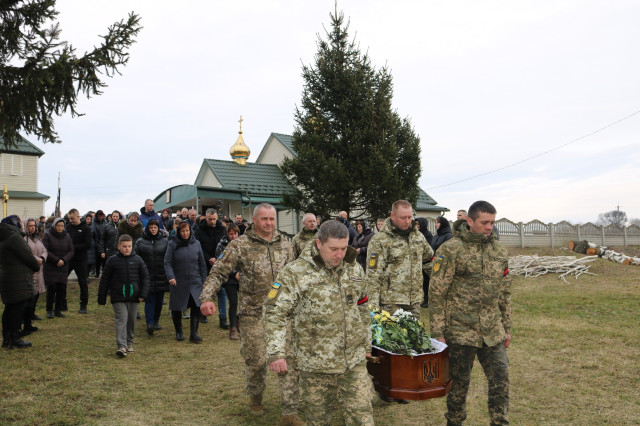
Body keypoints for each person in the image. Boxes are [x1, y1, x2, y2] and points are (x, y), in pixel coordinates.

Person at [265, 221, 373, 425]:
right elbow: (274, 311)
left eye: (344, 248)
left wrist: (366, 344)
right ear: (318, 243)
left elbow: (362, 305)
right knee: (318, 420)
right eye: (333, 249)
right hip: (315, 365)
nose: (339, 255)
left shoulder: (354, 268)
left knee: (362, 418)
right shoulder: (295, 272)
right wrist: (276, 353)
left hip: (353, 361)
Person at [200, 203, 300, 423]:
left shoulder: (285, 244)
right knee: (256, 360)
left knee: (289, 360)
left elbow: (295, 276)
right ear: (254, 220)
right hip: (253, 314)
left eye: (272, 219)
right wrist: (206, 297)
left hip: (283, 314)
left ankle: (290, 410)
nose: (269, 223)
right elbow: (218, 272)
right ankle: (256, 398)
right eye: (264, 219)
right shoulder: (240, 245)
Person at [429, 201, 511, 426]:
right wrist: (438, 333)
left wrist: (507, 328)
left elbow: (504, 292)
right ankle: (454, 422)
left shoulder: (499, 251)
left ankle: (499, 422)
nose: (489, 227)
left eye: (492, 222)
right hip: (460, 331)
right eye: (484, 222)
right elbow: (437, 293)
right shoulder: (451, 250)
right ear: (470, 221)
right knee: (458, 386)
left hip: (492, 331)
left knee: (501, 379)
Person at [366, 200, 434, 319]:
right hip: (390, 304)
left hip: (414, 302)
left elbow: (429, 261)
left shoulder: (418, 237)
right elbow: (373, 277)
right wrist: (373, 309)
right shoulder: (380, 240)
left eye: (410, 217)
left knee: (415, 331)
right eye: (403, 218)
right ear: (393, 216)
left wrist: (443, 281)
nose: (407, 221)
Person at [98, 234, 150, 358]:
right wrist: (102, 297)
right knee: (122, 319)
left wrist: (143, 294)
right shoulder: (112, 261)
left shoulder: (138, 260)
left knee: (131, 320)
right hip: (118, 296)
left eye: (129, 246)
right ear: (119, 246)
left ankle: (129, 343)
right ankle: (121, 346)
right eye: (124, 246)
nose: (127, 249)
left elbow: (145, 278)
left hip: (134, 296)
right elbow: (105, 280)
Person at [1, 215, 41, 349]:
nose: (23, 227)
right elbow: (28, 257)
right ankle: (14, 338)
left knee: (9, 308)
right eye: (21, 224)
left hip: (8, 278)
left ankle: (7, 339)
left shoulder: (4, 237)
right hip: (17, 279)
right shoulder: (15, 238)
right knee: (16, 309)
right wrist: (36, 267)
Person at [164, 221, 207, 343]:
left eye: (187, 230)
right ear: (179, 232)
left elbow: (202, 263)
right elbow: (167, 262)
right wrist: (171, 276)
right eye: (182, 231)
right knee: (177, 307)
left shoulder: (196, 243)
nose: (185, 233)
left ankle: (194, 333)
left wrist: (204, 280)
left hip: (195, 280)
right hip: (178, 281)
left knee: (196, 306)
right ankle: (179, 331)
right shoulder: (172, 244)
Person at [193, 208, 228, 328]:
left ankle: (223, 317)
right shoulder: (199, 231)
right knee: (204, 289)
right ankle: (203, 312)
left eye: (214, 219)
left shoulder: (222, 229)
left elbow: (226, 246)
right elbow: (198, 247)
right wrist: (209, 258)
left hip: (219, 263)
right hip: (204, 263)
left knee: (221, 290)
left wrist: (218, 258)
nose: (212, 221)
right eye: (210, 219)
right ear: (205, 218)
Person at [134, 219, 169, 335]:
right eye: (151, 227)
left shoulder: (165, 241)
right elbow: (136, 257)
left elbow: (168, 258)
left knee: (159, 301)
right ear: (148, 228)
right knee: (149, 300)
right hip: (147, 275)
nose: (153, 229)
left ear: (158, 228)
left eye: (155, 227)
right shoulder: (140, 242)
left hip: (161, 275)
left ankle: (156, 321)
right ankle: (149, 323)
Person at [42, 218, 74, 318]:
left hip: (63, 267)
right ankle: (49, 310)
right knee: (51, 288)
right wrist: (56, 260)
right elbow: (45, 250)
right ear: (54, 226)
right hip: (51, 266)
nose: (60, 228)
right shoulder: (48, 235)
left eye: (62, 226)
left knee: (61, 289)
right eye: (58, 226)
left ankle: (58, 310)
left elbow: (71, 251)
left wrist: (64, 260)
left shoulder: (67, 236)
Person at [215, 223, 240, 340]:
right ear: (227, 234)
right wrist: (234, 273)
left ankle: (238, 320)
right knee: (233, 302)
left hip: (242, 277)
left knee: (244, 303)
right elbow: (222, 263)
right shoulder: (221, 245)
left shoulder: (242, 245)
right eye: (231, 234)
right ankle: (233, 328)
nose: (233, 236)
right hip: (229, 279)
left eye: (235, 234)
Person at [23, 218, 48, 333]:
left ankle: (31, 315)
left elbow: (44, 250)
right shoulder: (23, 239)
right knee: (30, 297)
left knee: (36, 294)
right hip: (30, 270)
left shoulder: (37, 238)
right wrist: (37, 259)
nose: (33, 227)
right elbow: (26, 253)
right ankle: (25, 319)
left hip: (39, 270)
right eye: (30, 226)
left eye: (34, 225)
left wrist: (42, 258)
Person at [66, 208, 93, 314]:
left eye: (72, 218)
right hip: (69, 259)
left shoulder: (86, 229)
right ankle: (62, 303)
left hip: (81, 259)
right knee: (62, 280)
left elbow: (88, 245)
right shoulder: (68, 227)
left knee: (83, 282)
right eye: (69, 219)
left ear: (78, 217)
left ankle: (83, 305)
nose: (71, 221)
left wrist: (73, 248)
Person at [415, 217, 434, 309]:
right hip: (420, 262)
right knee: (424, 283)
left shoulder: (427, 235)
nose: (416, 226)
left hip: (427, 263)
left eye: (418, 224)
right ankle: (425, 299)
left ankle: (429, 300)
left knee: (428, 282)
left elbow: (428, 248)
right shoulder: (416, 234)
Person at [92, 210, 108, 278]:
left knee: (104, 260)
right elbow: (94, 233)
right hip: (97, 242)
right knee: (98, 260)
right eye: (99, 215)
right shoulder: (94, 223)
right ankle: (97, 273)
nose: (100, 217)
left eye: (101, 215)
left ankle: (104, 273)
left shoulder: (105, 222)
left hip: (104, 242)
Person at [83, 213, 97, 278]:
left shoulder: (93, 226)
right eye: (87, 219)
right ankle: (84, 276)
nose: (88, 220)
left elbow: (95, 236)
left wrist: (94, 243)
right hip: (83, 246)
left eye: (90, 219)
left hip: (91, 246)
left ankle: (87, 276)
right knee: (84, 262)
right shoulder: (82, 226)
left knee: (89, 263)